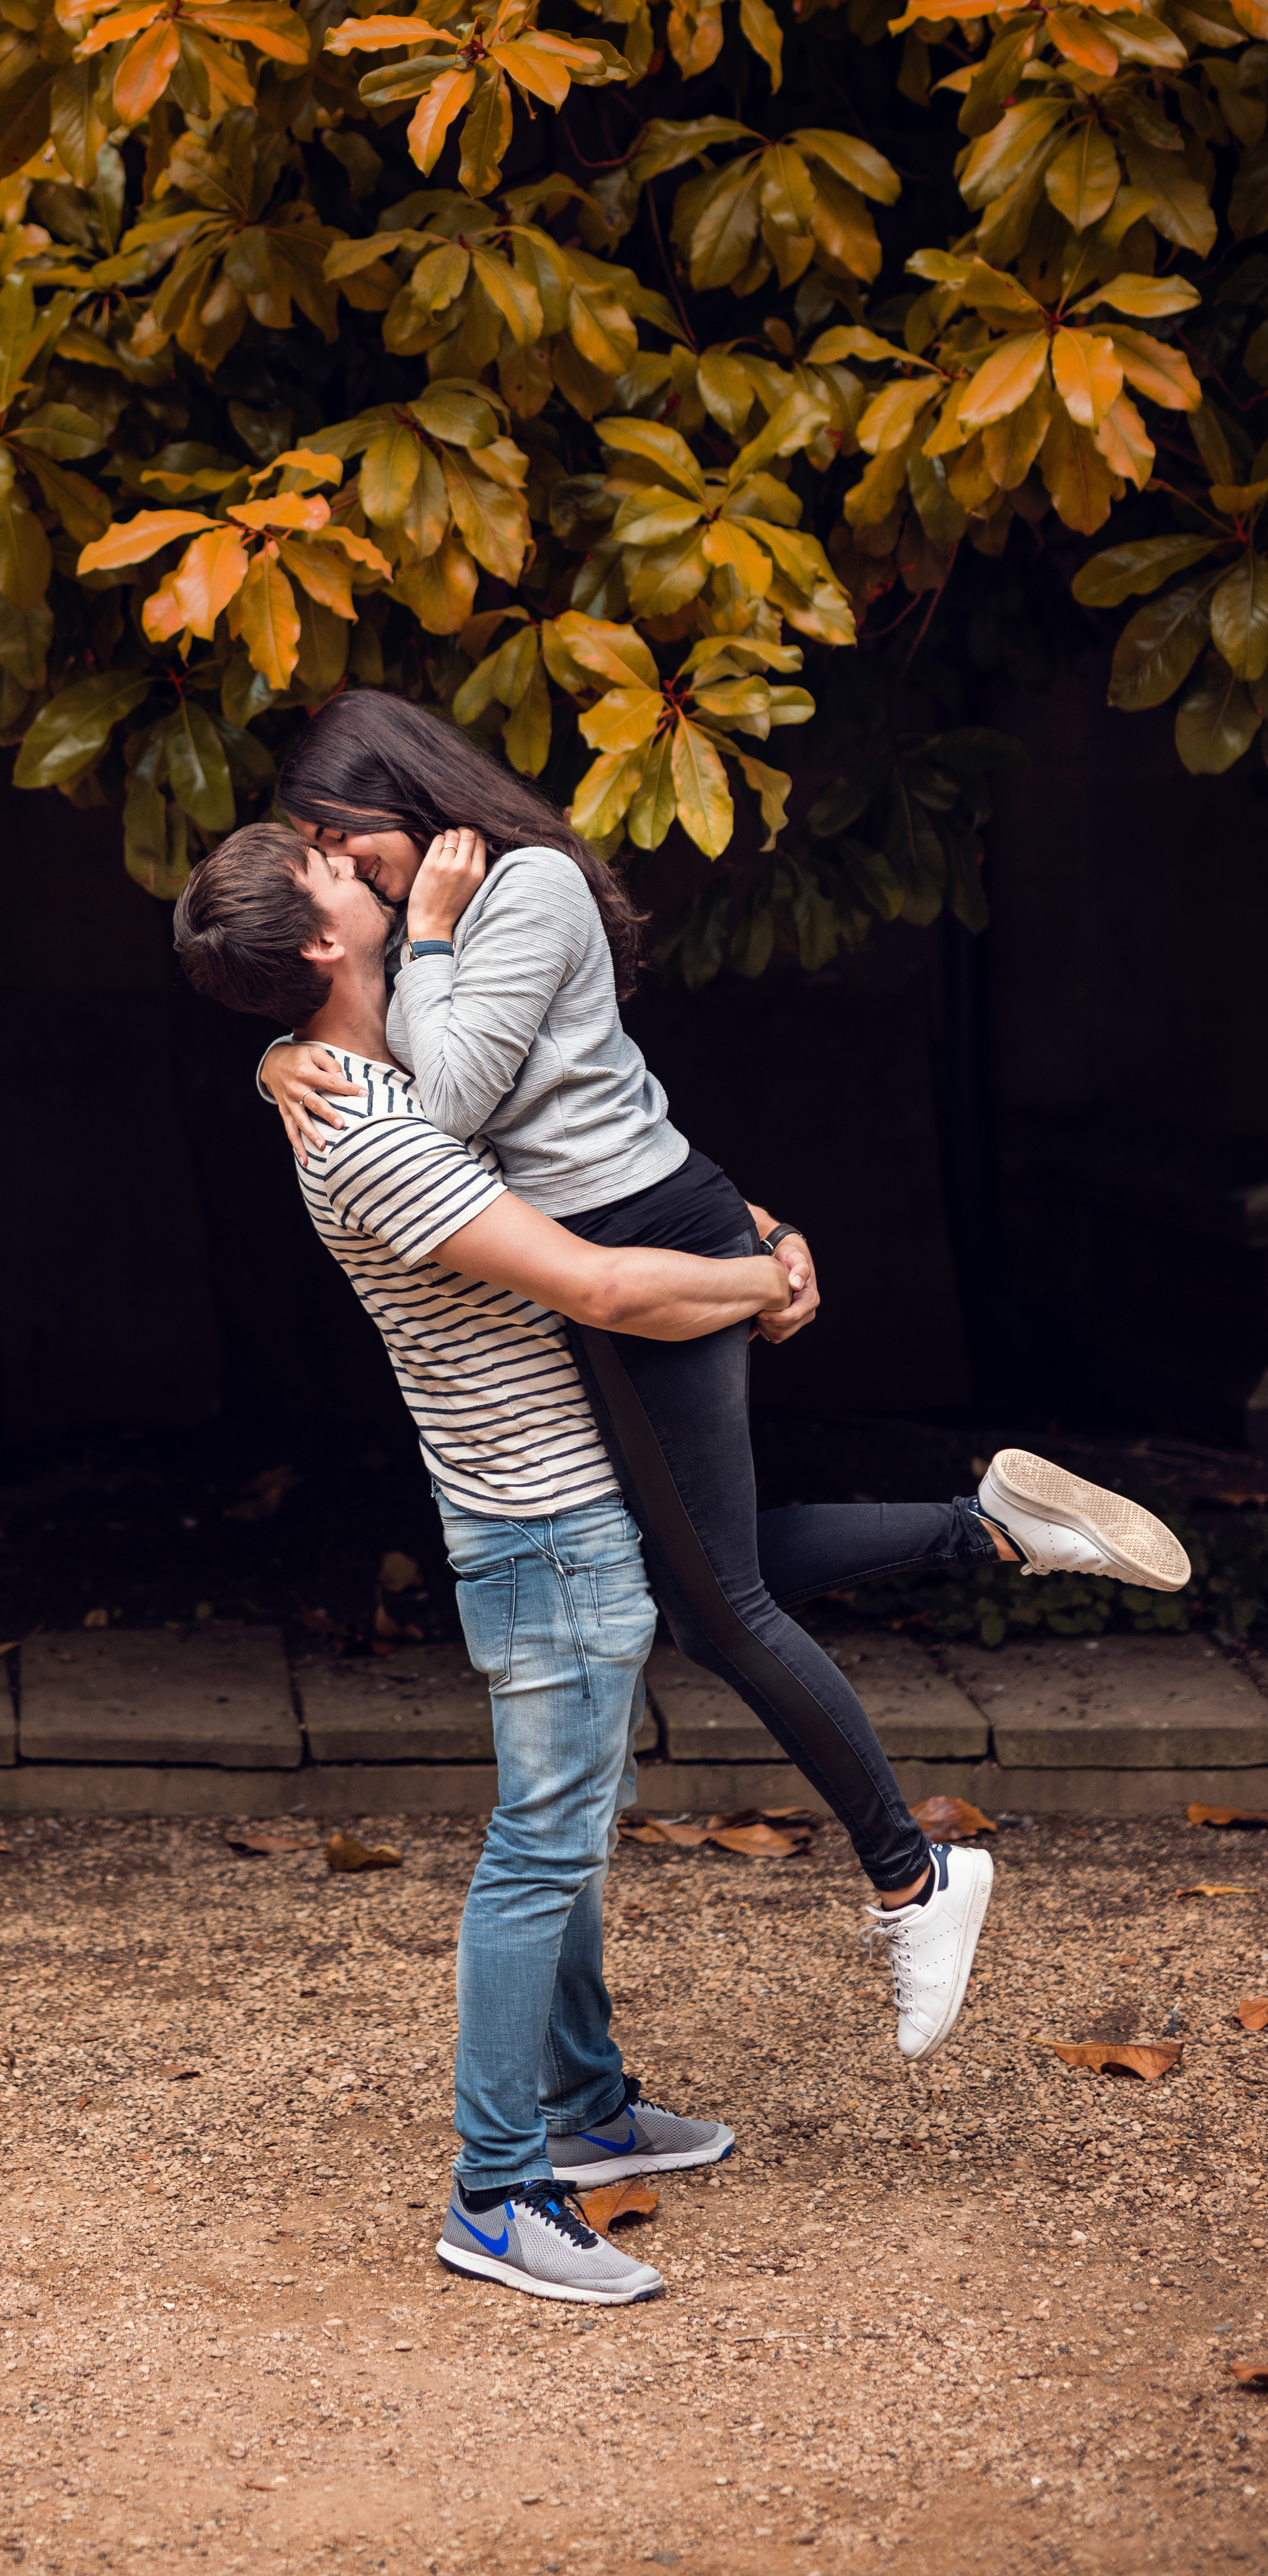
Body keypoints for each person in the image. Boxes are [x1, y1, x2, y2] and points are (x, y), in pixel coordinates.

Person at [170, 823, 1174, 2302]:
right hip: (543, 1522)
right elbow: (597, 1280)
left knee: (600, 1761)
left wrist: (752, 1222)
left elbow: (585, 1146)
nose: (361, 862)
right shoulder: (367, 1129)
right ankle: (495, 2189)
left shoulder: (371, 1077)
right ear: (319, 947)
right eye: (329, 870)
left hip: (565, 1504)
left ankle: (583, 2116)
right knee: (543, 1852)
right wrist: (762, 1275)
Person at [256, 690, 1189, 2005]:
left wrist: (427, 934)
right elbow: (385, 1046)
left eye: (346, 841)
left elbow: (450, 1100)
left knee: (720, 1608)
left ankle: (916, 1873)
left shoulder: (515, 893)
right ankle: (990, 1523)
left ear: (402, 797)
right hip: (615, 1228)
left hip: (641, 1234)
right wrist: (281, 1051)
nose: (345, 871)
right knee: (691, 1571)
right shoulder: (433, 928)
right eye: (322, 855)